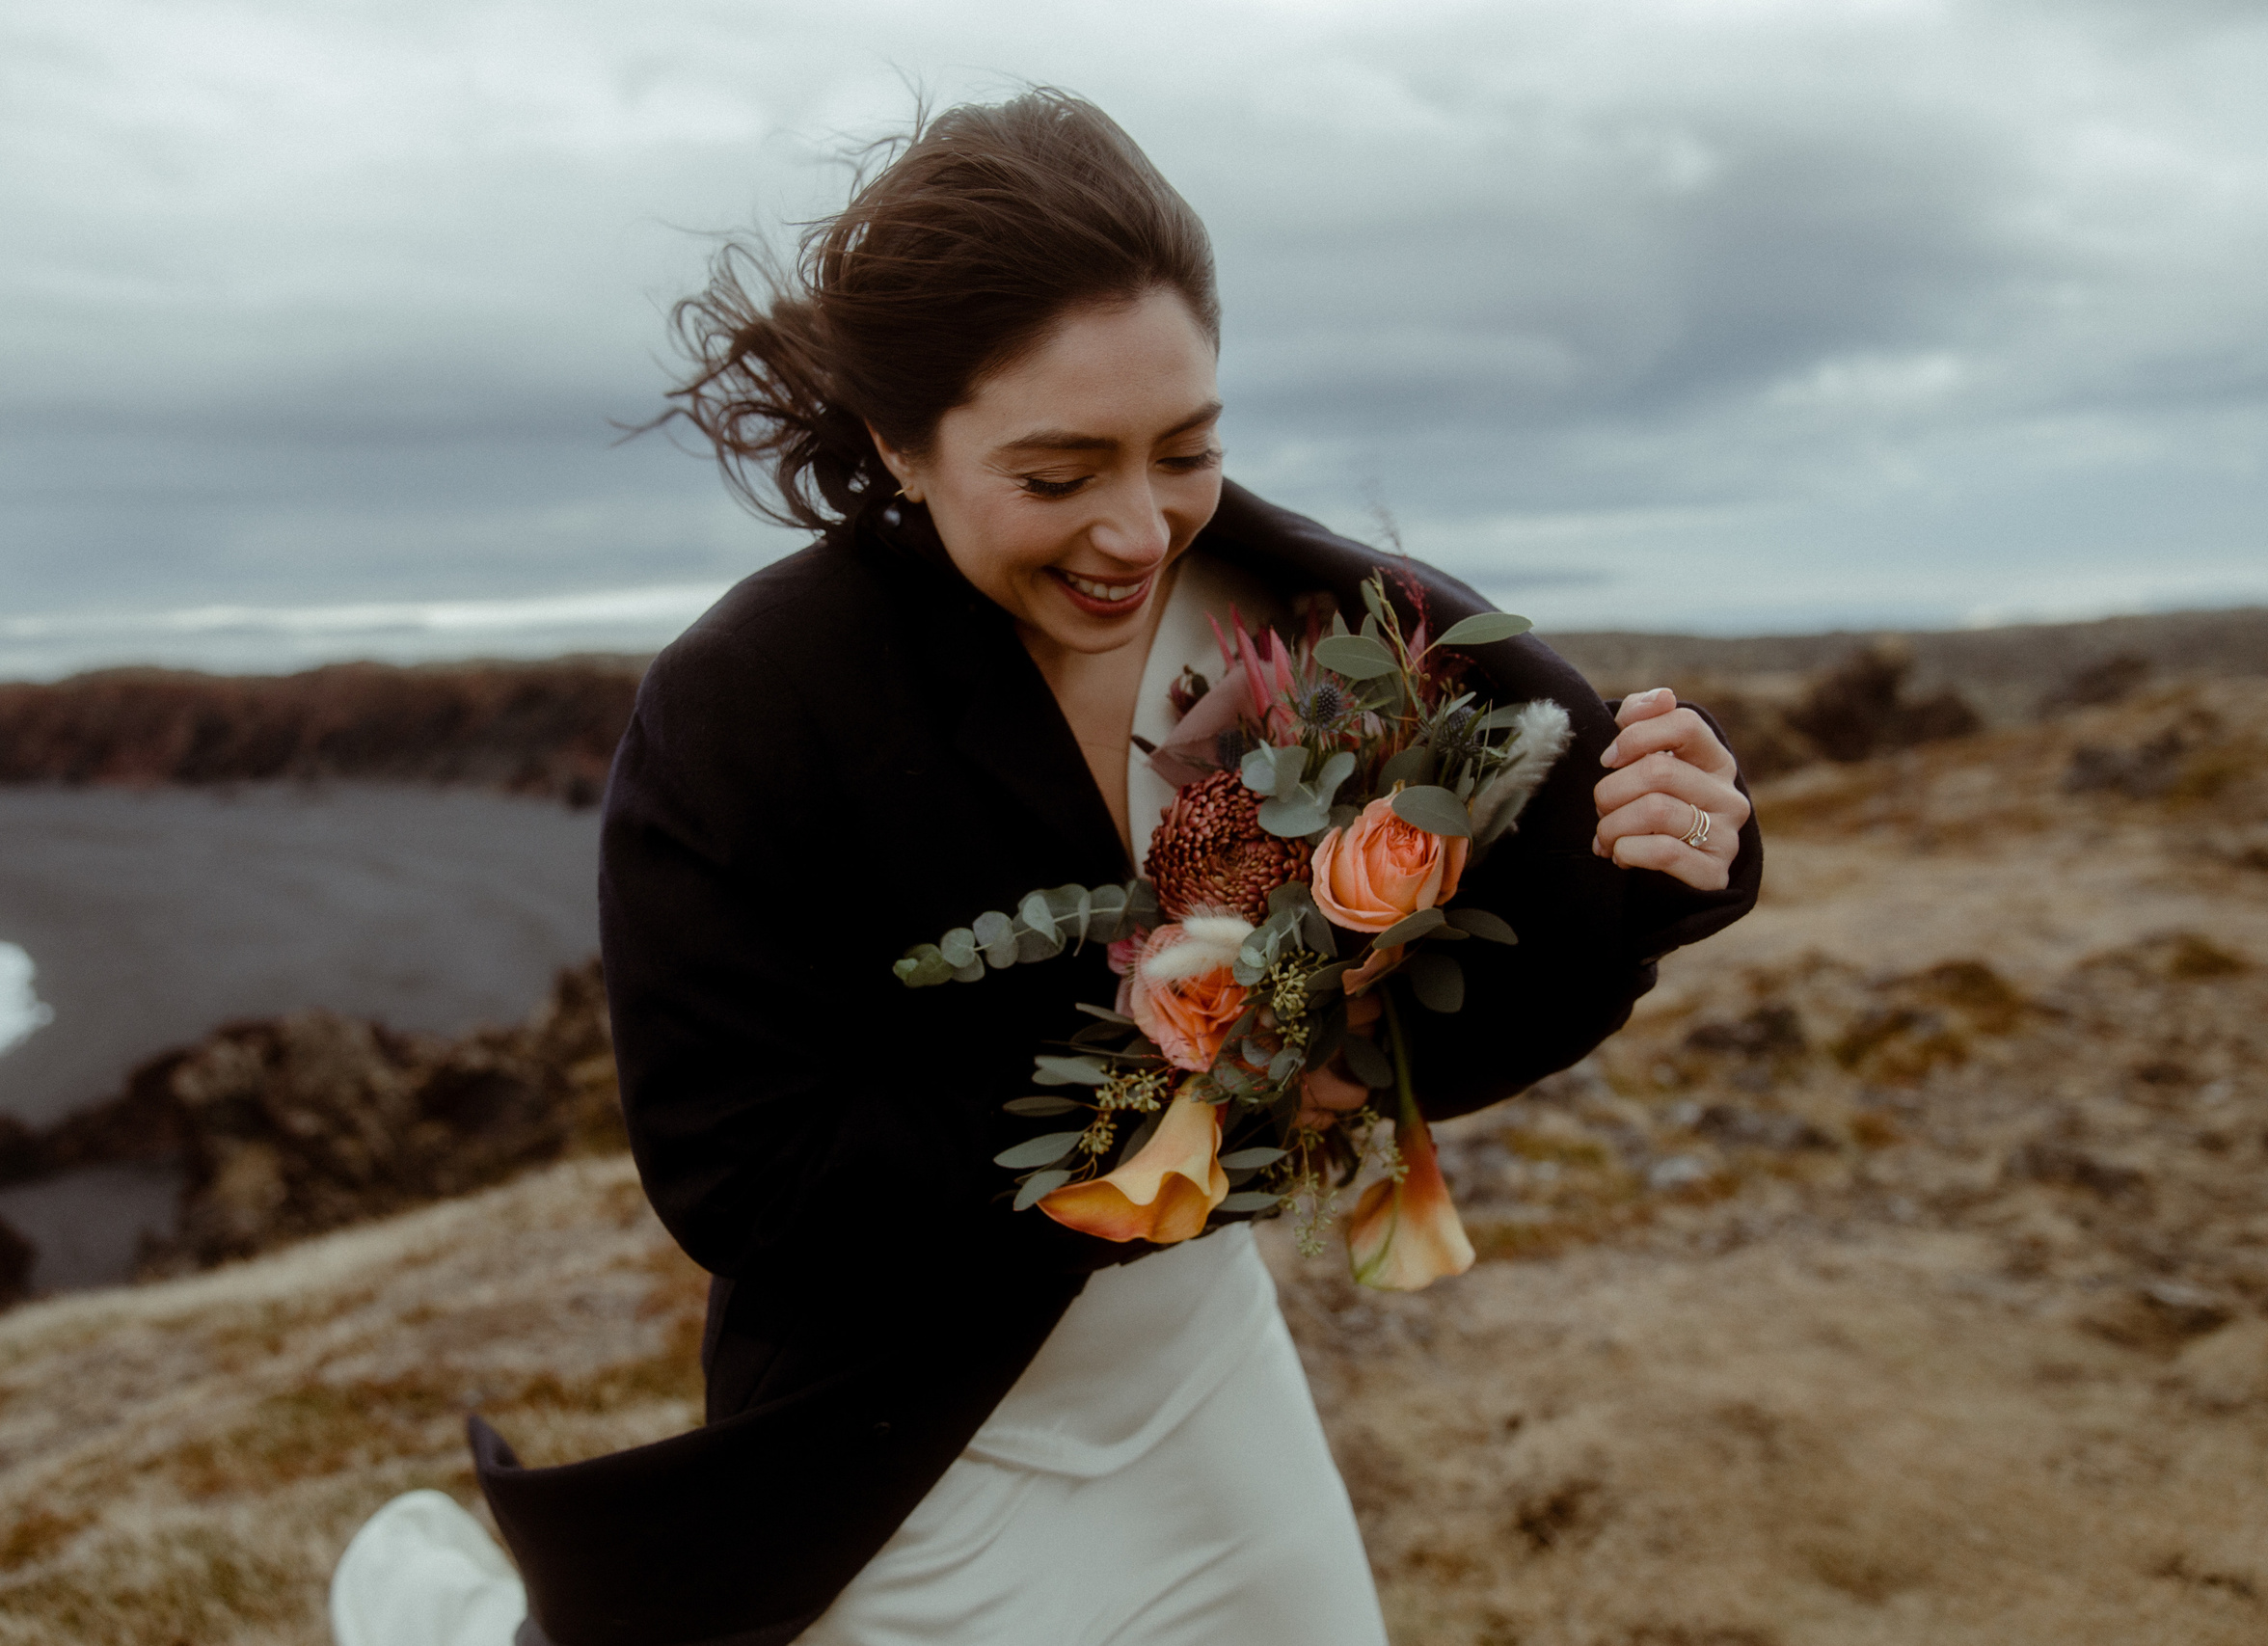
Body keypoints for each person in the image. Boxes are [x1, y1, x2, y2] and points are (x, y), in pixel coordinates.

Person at [330, 88, 1757, 1646]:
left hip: (1200, 1376)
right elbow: (740, 1174)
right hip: (900, 1438)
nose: (1140, 530)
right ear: (902, 443)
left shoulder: (1327, 629)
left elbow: (1462, 1004)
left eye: (1186, 449)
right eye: (1060, 475)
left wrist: (1657, 871)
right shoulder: (743, 704)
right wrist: (1194, 1105)